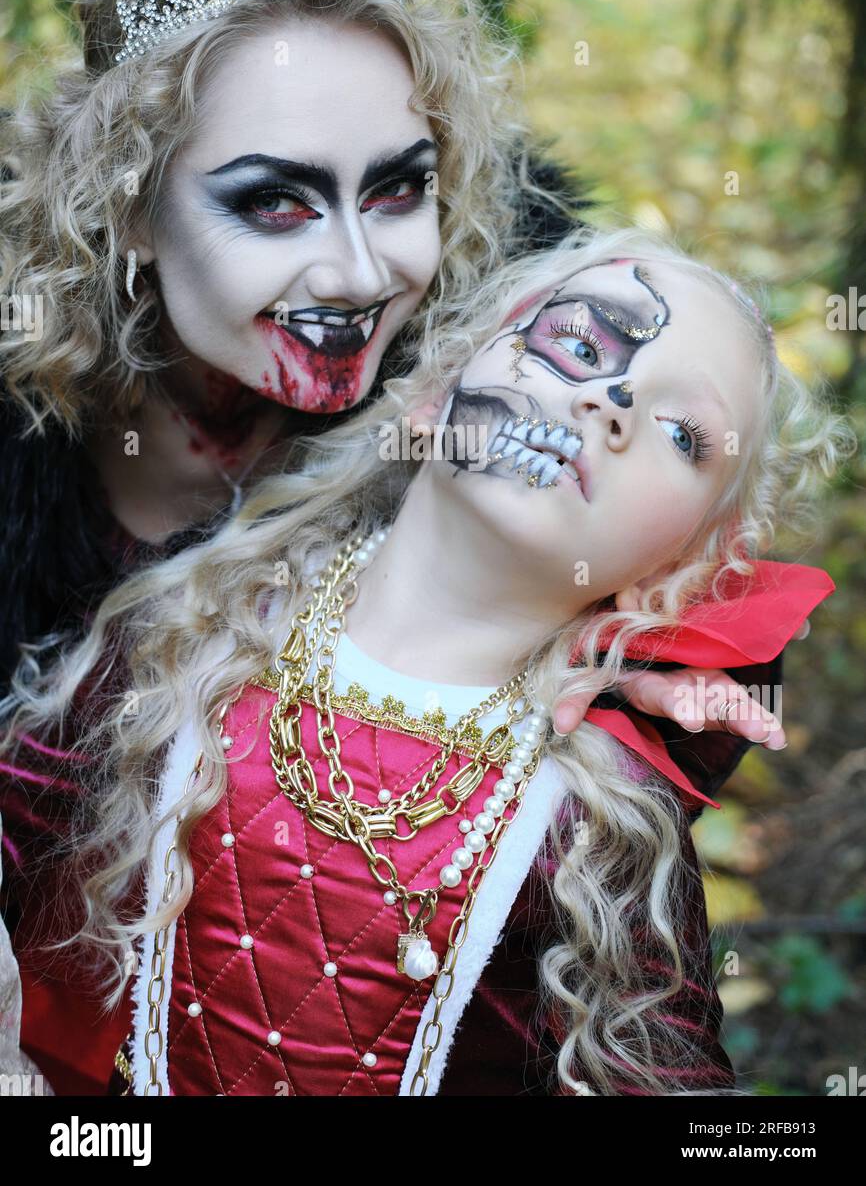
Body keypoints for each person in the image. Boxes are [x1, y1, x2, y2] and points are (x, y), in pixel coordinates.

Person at [0, 226, 846, 1096]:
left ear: (682, 570)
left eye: (682, 435)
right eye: (581, 343)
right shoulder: (183, 643)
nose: (611, 402)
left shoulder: (596, 824)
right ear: (437, 390)